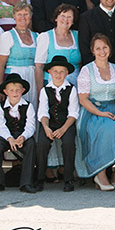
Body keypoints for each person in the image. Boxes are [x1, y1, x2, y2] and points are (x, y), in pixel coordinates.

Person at [75, 34, 115, 191]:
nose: (102, 51)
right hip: (92, 111)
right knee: (108, 127)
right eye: (98, 48)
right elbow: (83, 99)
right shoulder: (87, 70)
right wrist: (100, 113)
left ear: (110, 50)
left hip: (113, 109)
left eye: (105, 47)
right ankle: (100, 173)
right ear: (92, 50)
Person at [33, 56, 80, 193]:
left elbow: (73, 112)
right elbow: (43, 112)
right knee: (42, 143)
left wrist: (64, 129)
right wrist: (46, 128)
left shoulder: (71, 89)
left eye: (61, 71)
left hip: (66, 123)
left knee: (69, 143)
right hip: (49, 123)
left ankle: (68, 178)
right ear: (50, 72)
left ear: (66, 73)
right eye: (55, 71)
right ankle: (40, 178)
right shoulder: (45, 90)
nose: (58, 75)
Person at [0, 73, 37, 193]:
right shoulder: (0, 106)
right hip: (6, 136)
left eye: (17, 90)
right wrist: (9, 138)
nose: (15, 93)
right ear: (5, 91)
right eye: (11, 90)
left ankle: (26, 182)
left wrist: (23, 137)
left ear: (23, 91)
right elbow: (0, 125)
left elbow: (30, 125)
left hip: (22, 135)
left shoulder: (28, 106)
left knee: (31, 145)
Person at [0, 2, 38, 107]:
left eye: (26, 14)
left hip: (32, 77)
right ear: (14, 16)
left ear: (30, 16)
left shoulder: (36, 36)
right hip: (14, 77)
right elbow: (0, 65)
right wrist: (0, 88)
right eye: (19, 14)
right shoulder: (7, 36)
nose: (23, 17)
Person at [34, 3, 80, 89]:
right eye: (62, 15)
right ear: (56, 18)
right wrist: (40, 92)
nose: (65, 19)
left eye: (69, 17)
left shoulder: (78, 36)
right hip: (51, 84)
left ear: (73, 21)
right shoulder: (45, 36)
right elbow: (39, 66)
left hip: (75, 83)